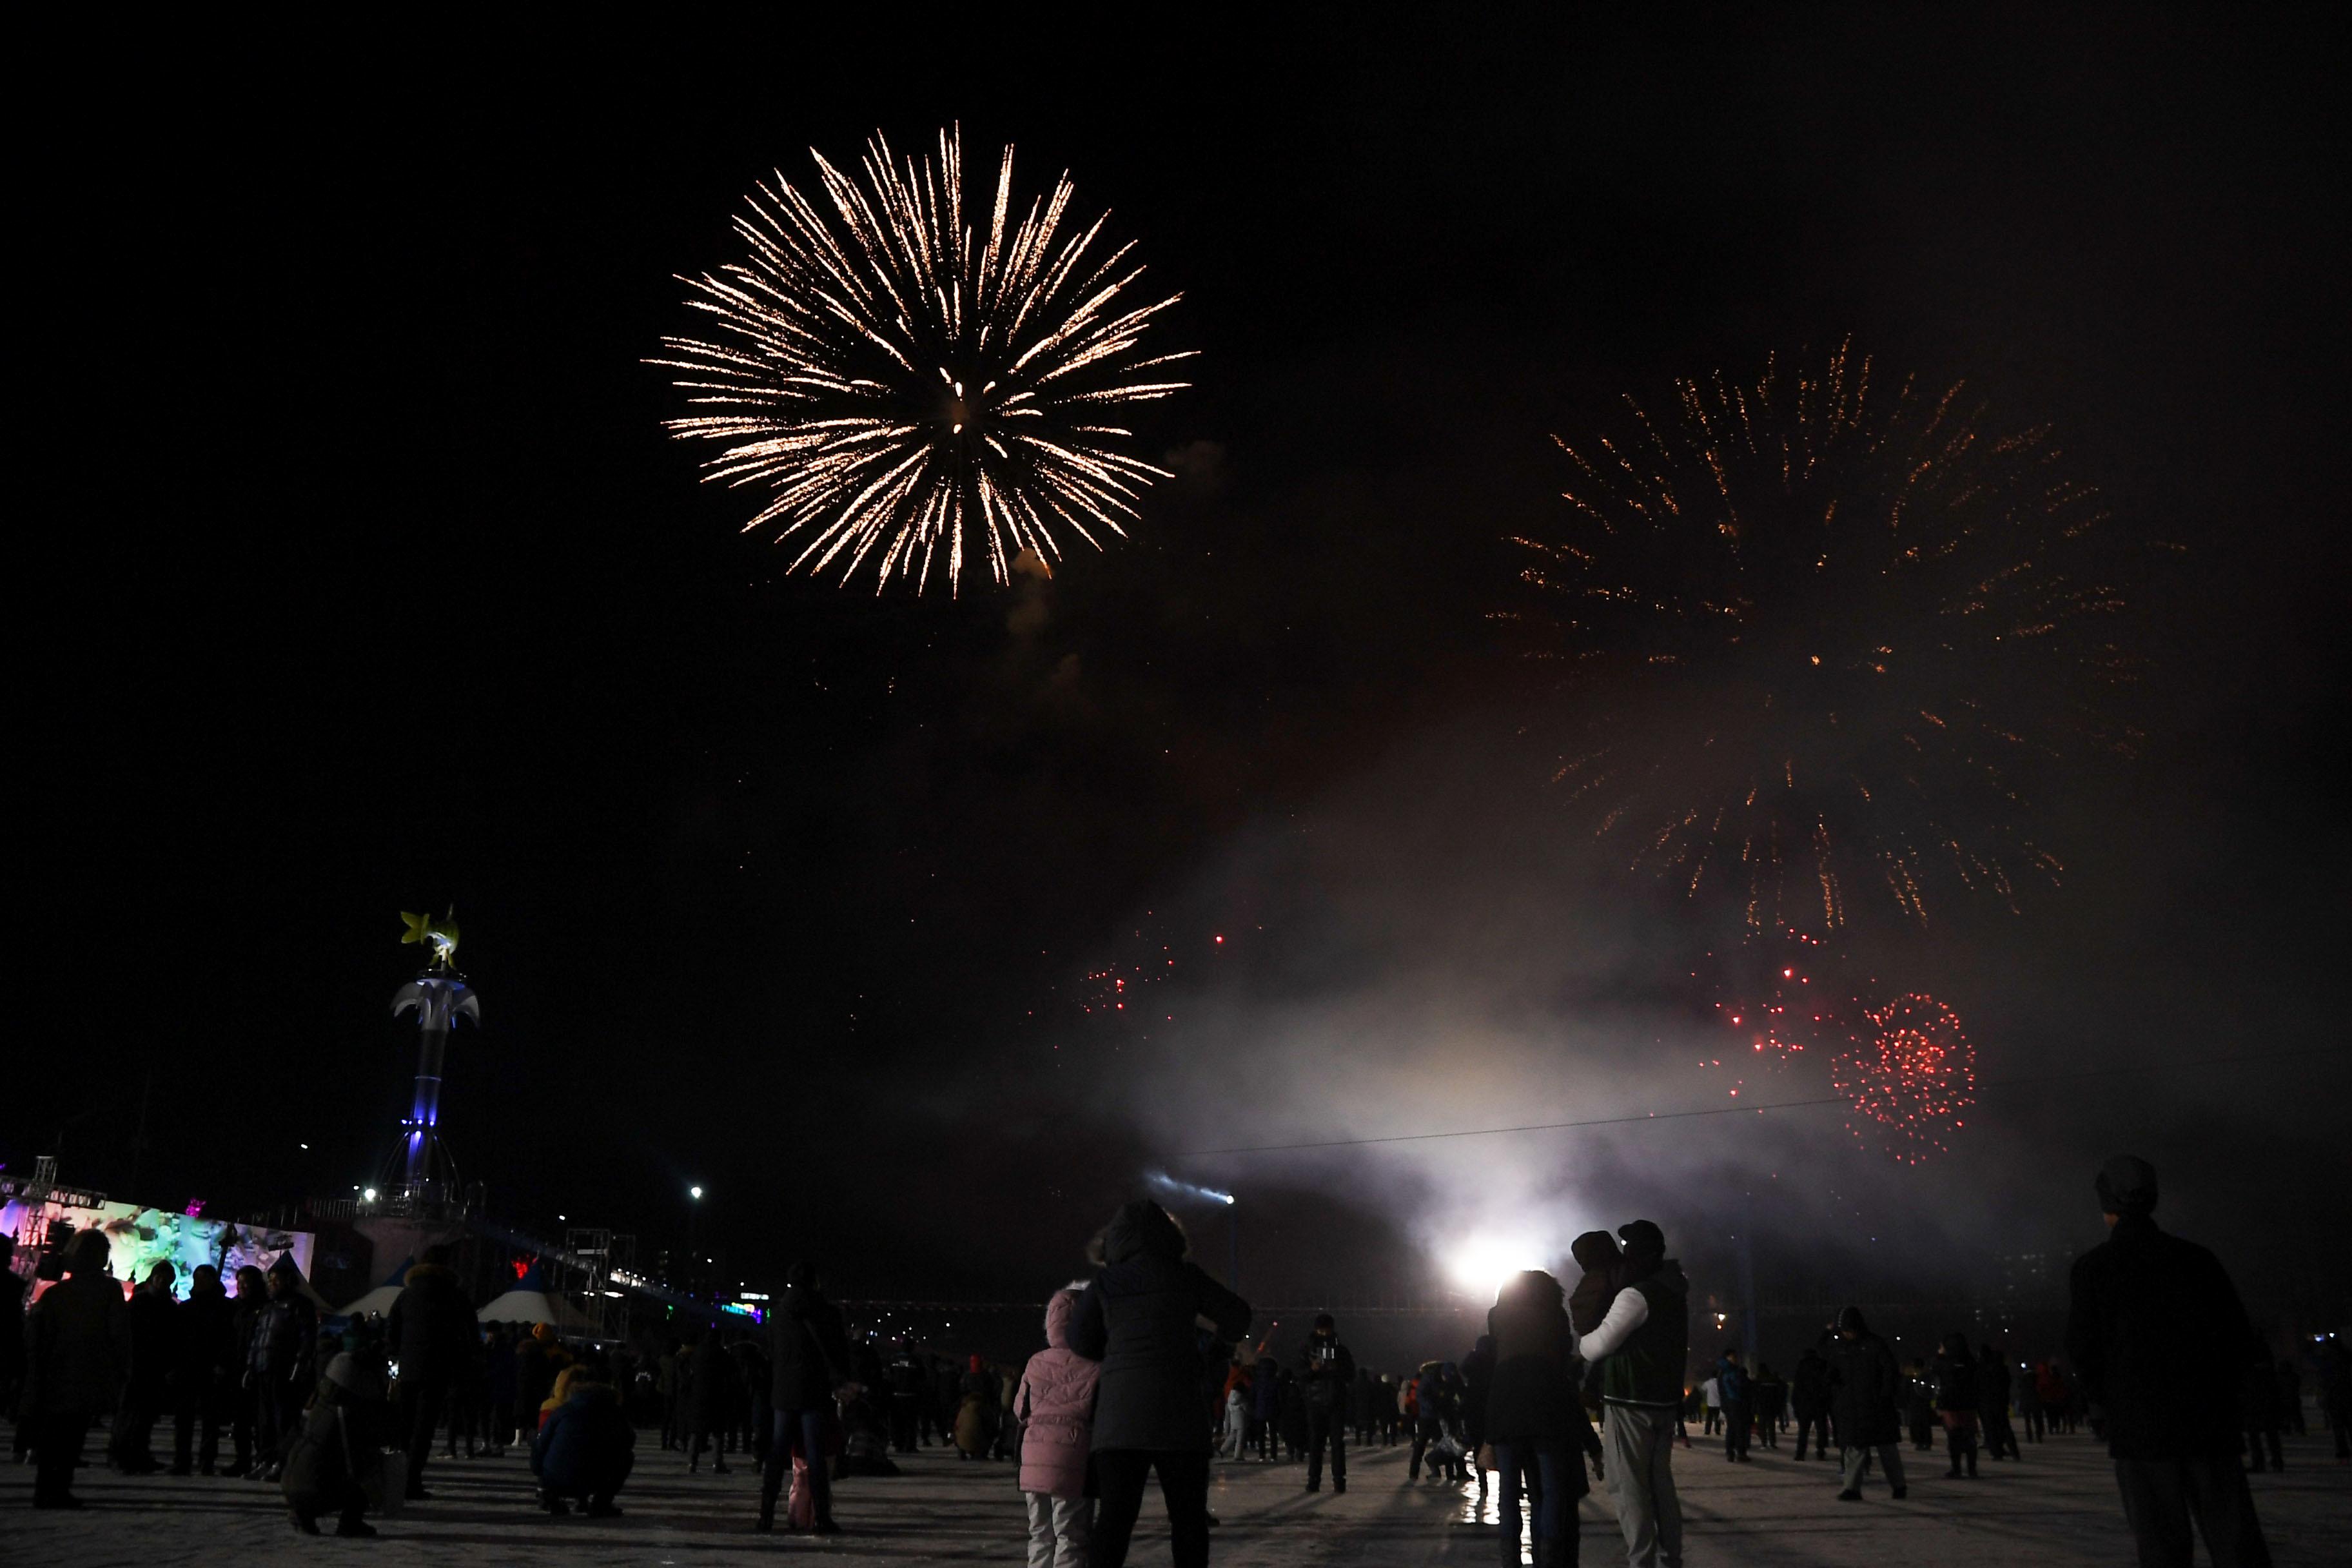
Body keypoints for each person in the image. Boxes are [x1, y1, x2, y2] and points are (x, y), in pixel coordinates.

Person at [2065, 1154, 2270, 1567]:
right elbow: (2238, 1338)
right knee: (2234, 1538)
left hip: (2141, 1425)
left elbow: (2084, 1349)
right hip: (2208, 1419)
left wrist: (2104, 1403)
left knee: (2161, 1544)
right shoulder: (2197, 1259)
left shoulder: (2094, 1269)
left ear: (2106, 1206)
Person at [1067, 1198, 1251, 1568]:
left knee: (1115, 1522)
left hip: (1121, 1419)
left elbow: (1079, 1341)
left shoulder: (1106, 1282)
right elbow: (1238, 1316)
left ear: (1115, 1241)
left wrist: (1117, 1353)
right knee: (1188, 1521)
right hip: (1181, 1414)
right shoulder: (1186, 1276)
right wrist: (1214, 1350)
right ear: (1169, 1237)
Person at [1574, 1219, 1689, 1568]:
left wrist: (1582, 1344)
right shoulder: (1675, 1289)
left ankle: (1642, 1561)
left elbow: (1596, 1346)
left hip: (1630, 1398)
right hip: (1664, 1401)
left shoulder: (1637, 1295)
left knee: (1628, 1488)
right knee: (1659, 1484)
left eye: (1628, 1248)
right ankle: (1670, 1556)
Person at [1485, 1269, 1598, 1568]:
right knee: (1551, 1489)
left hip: (1505, 1401)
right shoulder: (1556, 1316)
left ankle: (1510, 1559)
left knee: (1508, 1490)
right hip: (1547, 1401)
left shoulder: (1498, 1315)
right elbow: (1563, 1355)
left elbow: (1496, 1351)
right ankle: (1548, 1556)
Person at [22, 1229, 128, 1509]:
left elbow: (37, 1337)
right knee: (72, 1434)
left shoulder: (55, 1294)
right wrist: (120, 1368)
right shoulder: (109, 1291)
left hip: (56, 1372)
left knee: (54, 1433)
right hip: (87, 1371)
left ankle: (45, 1487)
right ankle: (58, 1488)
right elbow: (118, 1333)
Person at [760, 1260, 854, 1534]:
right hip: (815, 1392)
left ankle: (766, 1515)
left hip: (784, 1393)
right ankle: (822, 1517)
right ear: (815, 1282)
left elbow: (773, 1352)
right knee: (816, 1456)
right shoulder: (826, 1313)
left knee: (777, 1454)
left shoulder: (777, 1314)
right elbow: (839, 1351)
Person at [1015, 1284, 1101, 1568]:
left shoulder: (1035, 1362)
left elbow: (1020, 1409)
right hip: (1071, 1457)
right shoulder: (1095, 1364)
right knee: (1070, 1537)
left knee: (1039, 1534)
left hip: (1033, 1457)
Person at [385, 1242, 475, 1499]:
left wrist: (396, 1357)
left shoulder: (407, 1294)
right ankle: (412, 1481)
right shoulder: (455, 1296)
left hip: (409, 1369)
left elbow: (391, 1329)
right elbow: (467, 1334)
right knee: (424, 1429)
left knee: (405, 1426)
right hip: (439, 1370)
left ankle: (396, 1479)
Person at [281, 1351, 388, 1536]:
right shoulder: (348, 1413)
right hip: (312, 1487)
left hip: (289, 1482)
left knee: (317, 1465)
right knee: (365, 1474)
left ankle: (303, 1513)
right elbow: (359, 1459)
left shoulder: (319, 1401)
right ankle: (350, 1523)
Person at [248, 1255, 318, 1482]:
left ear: (289, 1281)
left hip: (284, 1371)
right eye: (271, 1281)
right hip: (263, 1368)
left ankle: (282, 1462)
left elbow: (307, 1338)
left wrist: (299, 1365)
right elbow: (258, 1338)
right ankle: (264, 1460)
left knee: (283, 1421)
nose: (272, 1285)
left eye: (276, 1281)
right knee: (263, 1420)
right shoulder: (268, 1307)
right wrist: (251, 1365)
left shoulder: (300, 1305)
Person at [1828, 1306, 1906, 1502]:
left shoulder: (1875, 1344)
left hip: (1878, 1406)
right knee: (1854, 1450)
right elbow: (1832, 1374)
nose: (1846, 1333)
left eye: (1848, 1329)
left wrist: (1884, 1396)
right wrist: (1840, 1393)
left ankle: (1899, 1486)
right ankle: (1852, 1488)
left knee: (1887, 1450)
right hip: (1854, 1407)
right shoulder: (1842, 1349)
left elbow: (1890, 1371)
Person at [533, 1367, 635, 1516]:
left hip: (557, 1479)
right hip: (595, 1479)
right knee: (627, 1457)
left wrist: (540, 1473)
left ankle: (548, 1494)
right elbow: (629, 1441)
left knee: (551, 1446)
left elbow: (541, 1444)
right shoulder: (614, 1412)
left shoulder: (563, 1411)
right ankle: (601, 1502)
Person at [111, 1260, 178, 1473]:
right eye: (159, 1277)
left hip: (156, 1367)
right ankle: (122, 1453)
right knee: (130, 1412)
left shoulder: (169, 1306)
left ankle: (139, 1451)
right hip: (138, 1364)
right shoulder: (140, 1302)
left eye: (166, 1278)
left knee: (146, 1414)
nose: (162, 1281)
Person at [172, 1263, 235, 1474]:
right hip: (188, 1368)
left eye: (204, 1279)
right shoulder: (186, 1308)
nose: (200, 1283)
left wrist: (222, 1363)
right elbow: (177, 1340)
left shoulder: (225, 1309)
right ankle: (183, 1459)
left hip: (211, 1369)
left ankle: (206, 1460)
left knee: (210, 1419)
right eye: (198, 1279)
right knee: (184, 1419)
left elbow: (229, 1339)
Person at [1298, 1314, 1356, 1494]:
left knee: (1337, 1443)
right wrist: (1312, 1369)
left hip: (1336, 1401)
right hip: (1315, 1402)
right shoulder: (1307, 1350)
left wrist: (1336, 1368)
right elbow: (1299, 1375)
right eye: (1321, 1330)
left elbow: (1350, 1374)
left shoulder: (1341, 1350)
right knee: (1316, 1443)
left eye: (1327, 1330)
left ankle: (1339, 1480)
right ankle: (1313, 1480)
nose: (1324, 1333)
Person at [685, 1324, 740, 1474]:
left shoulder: (697, 1353)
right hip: (717, 1396)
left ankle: (692, 1463)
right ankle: (717, 1463)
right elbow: (732, 1372)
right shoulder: (722, 1354)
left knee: (696, 1432)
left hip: (698, 1396)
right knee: (718, 1432)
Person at [1931, 1333, 1979, 1478]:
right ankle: (1972, 1469)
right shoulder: (1970, 1361)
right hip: (1968, 1404)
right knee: (1970, 1437)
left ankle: (1956, 1468)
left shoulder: (1943, 1363)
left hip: (1951, 1405)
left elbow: (1939, 1381)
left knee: (1954, 1438)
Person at [2240, 1333, 2283, 1474]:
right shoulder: (2267, 1367)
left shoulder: (2250, 1368)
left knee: (2256, 1434)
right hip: (2264, 1399)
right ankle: (2276, 1462)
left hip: (2255, 1399)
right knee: (2269, 1434)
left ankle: (2261, 1463)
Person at [1461, 1333, 1496, 1500]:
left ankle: (1483, 1484)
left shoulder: (1473, 1364)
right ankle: (1512, 1485)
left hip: (1474, 1410)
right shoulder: (1495, 1362)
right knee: (1503, 1447)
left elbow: (1464, 1370)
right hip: (1494, 1408)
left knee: (1477, 1447)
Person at [1791, 1344, 1834, 1461]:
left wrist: (1796, 1405)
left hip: (1805, 1404)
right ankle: (1821, 1451)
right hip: (1820, 1403)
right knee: (1821, 1429)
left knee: (1803, 1431)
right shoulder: (1823, 1365)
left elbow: (1797, 1388)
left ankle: (1800, 1453)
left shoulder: (1802, 1367)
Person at [1978, 1344, 2019, 1462]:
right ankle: (2013, 1450)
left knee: (1992, 1429)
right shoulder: (2002, 1370)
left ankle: (1997, 1452)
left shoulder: (1984, 1369)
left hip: (1988, 1401)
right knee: (2004, 1427)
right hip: (2000, 1402)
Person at [1716, 1349, 1750, 1462]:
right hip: (1735, 1402)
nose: (1736, 1358)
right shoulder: (1731, 1371)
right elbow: (1738, 1386)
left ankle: (1730, 1452)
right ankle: (1741, 1453)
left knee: (1731, 1428)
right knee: (1740, 1428)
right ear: (1727, 1357)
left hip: (1727, 1403)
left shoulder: (1722, 1371)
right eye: (1733, 1356)